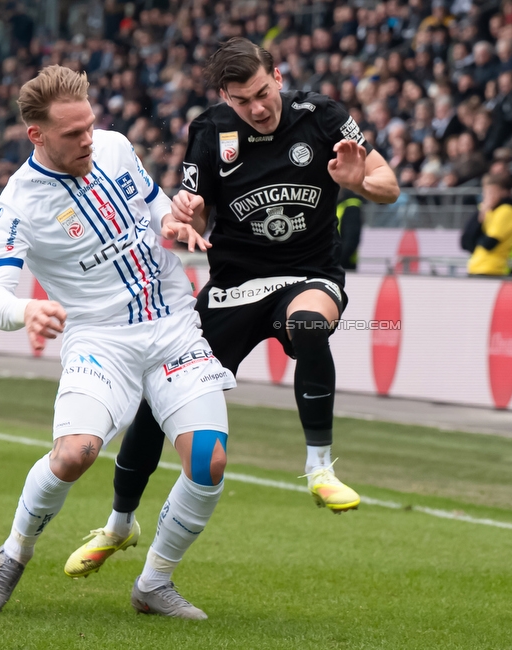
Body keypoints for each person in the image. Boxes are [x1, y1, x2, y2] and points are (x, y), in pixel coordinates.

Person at [64, 38, 400, 578]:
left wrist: (362, 181)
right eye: (244, 101)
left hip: (308, 275)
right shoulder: (209, 131)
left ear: (279, 76)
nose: (259, 108)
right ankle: (119, 523)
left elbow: (389, 183)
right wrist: (187, 214)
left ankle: (319, 467)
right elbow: (189, 219)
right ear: (226, 96)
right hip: (233, 286)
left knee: (310, 323)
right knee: (157, 402)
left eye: (264, 93)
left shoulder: (326, 117)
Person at [0, 65, 235, 619]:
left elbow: (157, 209)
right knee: (74, 455)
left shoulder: (115, 148)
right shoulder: (17, 205)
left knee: (208, 460)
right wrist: (29, 309)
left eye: (90, 125)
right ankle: (15, 550)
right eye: (73, 133)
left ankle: (154, 584)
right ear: (36, 135)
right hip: (101, 339)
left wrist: (176, 221)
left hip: (172, 325)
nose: (88, 138)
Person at [467, 175, 512, 276]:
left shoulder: (506, 211)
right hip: (479, 267)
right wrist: (480, 217)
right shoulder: (489, 210)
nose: (488, 197)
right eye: (486, 193)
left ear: (503, 193)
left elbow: (489, 243)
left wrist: (478, 240)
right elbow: (466, 241)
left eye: (492, 192)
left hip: (493, 269)